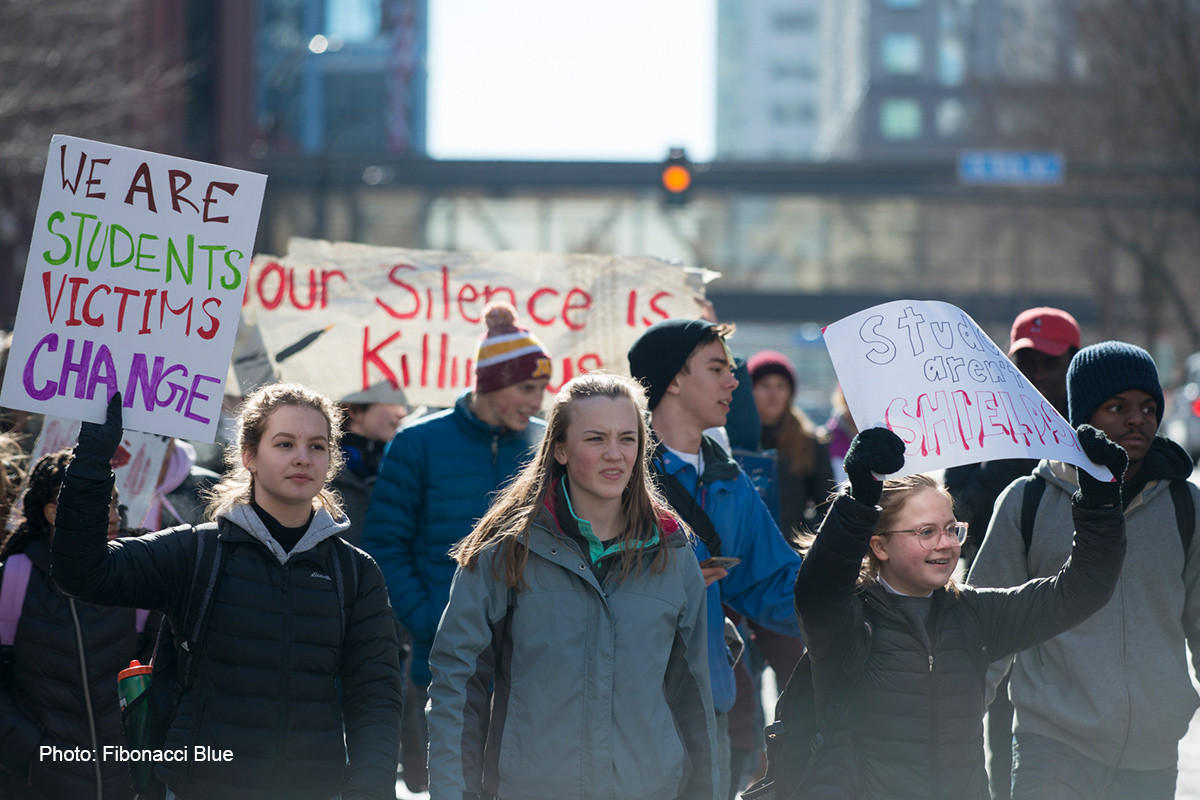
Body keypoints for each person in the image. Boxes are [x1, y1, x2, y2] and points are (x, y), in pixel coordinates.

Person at [50, 385, 403, 800]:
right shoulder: (196, 551)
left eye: (317, 446)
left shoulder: (356, 572)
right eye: (285, 443)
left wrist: (370, 789)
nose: (303, 457)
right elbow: (83, 573)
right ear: (249, 455)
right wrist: (92, 462)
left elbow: (375, 696)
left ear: (331, 460)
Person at [426, 372, 718, 800]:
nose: (615, 455)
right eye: (596, 439)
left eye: (628, 439)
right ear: (560, 448)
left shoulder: (674, 554)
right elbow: (456, 688)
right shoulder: (505, 552)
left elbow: (694, 702)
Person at [793, 425, 1126, 799]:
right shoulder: (848, 622)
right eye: (926, 532)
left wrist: (1100, 502)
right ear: (879, 546)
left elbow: (1081, 591)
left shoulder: (975, 614)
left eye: (952, 529)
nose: (946, 544)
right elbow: (817, 591)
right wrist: (859, 502)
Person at [969, 341, 1200, 800]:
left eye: (1149, 407)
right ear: (1083, 417)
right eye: (1118, 407)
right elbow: (983, 627)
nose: (1138, 419)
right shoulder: (1027, 501)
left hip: (1153, 750)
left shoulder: (1185, 505)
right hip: (1052, 743)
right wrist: (948, 722)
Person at [361, 301, 550, 792]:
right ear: (491, 383)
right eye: (527, 388)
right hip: (443, 659)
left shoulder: (546, 445)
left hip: (533, 665)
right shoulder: (417, 443)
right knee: (452, 784)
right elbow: (385, 545)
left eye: (541, 389)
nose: (536, 401)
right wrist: (429, 621)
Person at [627, 318, 805, 798]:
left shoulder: (731, 480)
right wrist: (668, 579)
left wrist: (865, 591)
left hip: (709, 711)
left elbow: (776, 584)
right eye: (717, 368)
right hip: (624, 715)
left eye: (732, 370)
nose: (734, 381)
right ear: (674, 380)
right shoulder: (617, 475)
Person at [941, 305, 1081, 799]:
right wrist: (1005, 462)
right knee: (1001, 735)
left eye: (1049, 362)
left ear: (1072, 362)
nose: (1037, 374)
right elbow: (956, 510)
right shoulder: (979, 425)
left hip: (1072, 611)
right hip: (998, 600)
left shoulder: (1088, 433)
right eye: (1026, 363)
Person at [0, 448, 147, 800]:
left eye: (115, 502)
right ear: (52, 513)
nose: (114, 515)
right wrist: (32, 754)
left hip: (126, 782)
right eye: (99, 504)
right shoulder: (14, 579)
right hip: (39, 784)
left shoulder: (139, 573)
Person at [747, 349, 835, 535]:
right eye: (765, 386)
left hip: (791, 551)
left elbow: (826, 504)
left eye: (780, 386)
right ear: (750, 390)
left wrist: (804, 539)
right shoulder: (736, 439)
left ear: (790, 392)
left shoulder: (809, 441)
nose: (773, 394)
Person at [332, 395, 408, 546]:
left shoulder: (399, 465)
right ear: (355, 410)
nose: (402, 413)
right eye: (392, 403)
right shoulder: (319, 468)